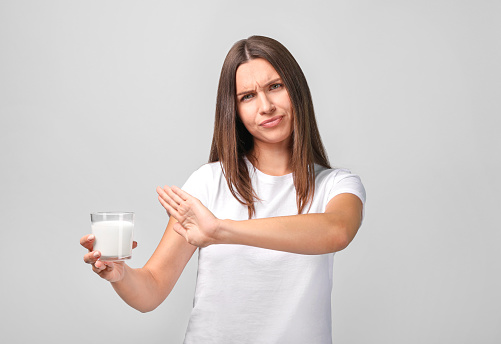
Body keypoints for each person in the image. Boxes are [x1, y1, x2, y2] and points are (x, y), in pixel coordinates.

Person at [81, 35, 366, 344]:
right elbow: (151, 289)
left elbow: (336, 231)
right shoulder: (208, 182)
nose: (266, 107)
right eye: (248, 96)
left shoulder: (336, 185)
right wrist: (121, 275)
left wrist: (219, 231)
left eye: (275, 86)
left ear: (296, 90)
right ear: (235, 110)